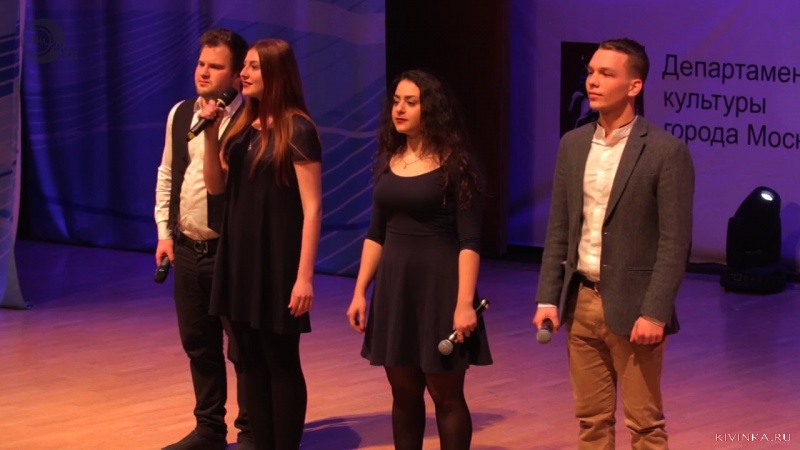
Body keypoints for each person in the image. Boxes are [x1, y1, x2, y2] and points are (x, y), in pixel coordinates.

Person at [532, 38, 695, 449]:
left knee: (645, 426)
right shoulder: (573, 145)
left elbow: (675, 243)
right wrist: (548, 297)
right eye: (591, 72)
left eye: (606, 74)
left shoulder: (665, 152)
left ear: (634, 86)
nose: (593, 81)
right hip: (581, 301)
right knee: (591, 422)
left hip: (634, 307)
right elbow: (559, 228)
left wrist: (655, 313)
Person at [346, 69, 492, 450]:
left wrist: (464, 303)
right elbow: (376, 233)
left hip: (440, 288)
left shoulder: (457, 165)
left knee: (446, 396)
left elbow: (470, 241)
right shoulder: (387, 160)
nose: (399, 109)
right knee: (403, 394)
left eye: (410, 102)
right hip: (395, 289)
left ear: (432, 109)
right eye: (396, 101)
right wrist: (360, 291)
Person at [199, 38, 322, 450]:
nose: (243, 74)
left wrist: (304, 277)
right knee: (248, 361)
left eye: (253, 67)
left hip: (277, 262)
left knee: (280, 362)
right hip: (239, 260)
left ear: (276, 74)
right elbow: (216, 187)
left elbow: (312, 209)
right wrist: (211, 135)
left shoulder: (298, 129)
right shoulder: (239, 127)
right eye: (244, 67)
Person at [154, 28, 251, 450]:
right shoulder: (180, 113)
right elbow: (168, 173)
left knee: (243, 347)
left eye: (216, 66)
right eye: (201, 63)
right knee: (199, 344)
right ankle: (209, 429)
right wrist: (164, 232)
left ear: (237, 75)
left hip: (231, 250)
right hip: (188, 247)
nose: (204, 72)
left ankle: (251, 430)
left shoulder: (249, 120)